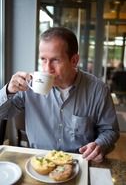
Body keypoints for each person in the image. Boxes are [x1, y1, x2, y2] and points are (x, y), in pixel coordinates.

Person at [0, 27, 119, 163]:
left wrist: (100, 145)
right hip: (39, 162)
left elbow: (110, 130)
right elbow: (2, 114)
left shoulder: (98, 89)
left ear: (74, 60)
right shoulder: (29, 85)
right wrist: (9, 90)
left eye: (55, 60)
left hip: (79, 163)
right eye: (43, 59)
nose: (47, 68)